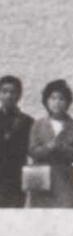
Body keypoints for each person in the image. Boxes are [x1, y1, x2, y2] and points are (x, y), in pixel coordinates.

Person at [26, 80, 73, 209]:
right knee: (40, 215)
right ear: (46, 101)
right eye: (52, 98)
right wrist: (47, 147)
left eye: (61, 99)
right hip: (41, 176)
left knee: (66, 216)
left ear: (68, 102)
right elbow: (32, 150)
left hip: (65, 177)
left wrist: (62, 147)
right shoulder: (38, 124)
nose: (57, 103)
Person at [0, 75, 30, 208]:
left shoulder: (28, 121)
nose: (8, 95)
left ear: (19, 95)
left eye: (13, 92)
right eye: (4, 91)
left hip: (16, 179)